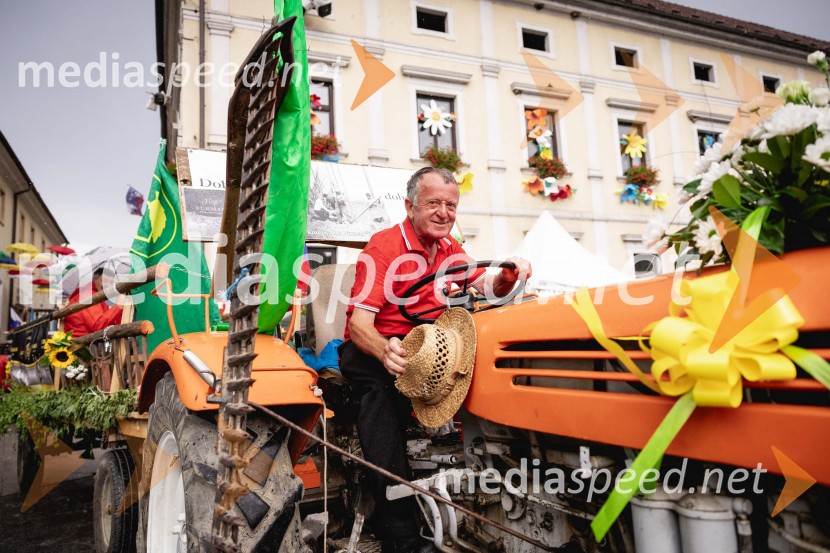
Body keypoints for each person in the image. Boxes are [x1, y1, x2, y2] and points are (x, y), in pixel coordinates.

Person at [338, 167, 532, 553]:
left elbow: (489, 286)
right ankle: (401, 534)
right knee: (381, 404)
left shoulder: (451, 251)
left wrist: (511, 274)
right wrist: (384, 351)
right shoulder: (383, 248)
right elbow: (359, 325)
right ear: (410, 206)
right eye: (433, 203)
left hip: (432, 351)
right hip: (377, 349)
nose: (444, 212)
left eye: (451, 205)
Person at [64, 267, 123, 337]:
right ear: (95, 278)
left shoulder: (98, 296)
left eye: (111, 282)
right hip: (82, 343)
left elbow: (108, 323)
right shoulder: (88, 295)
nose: (107, 285)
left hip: (88, 340)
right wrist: (118, 307)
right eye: (104, 281)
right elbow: (98, 325)